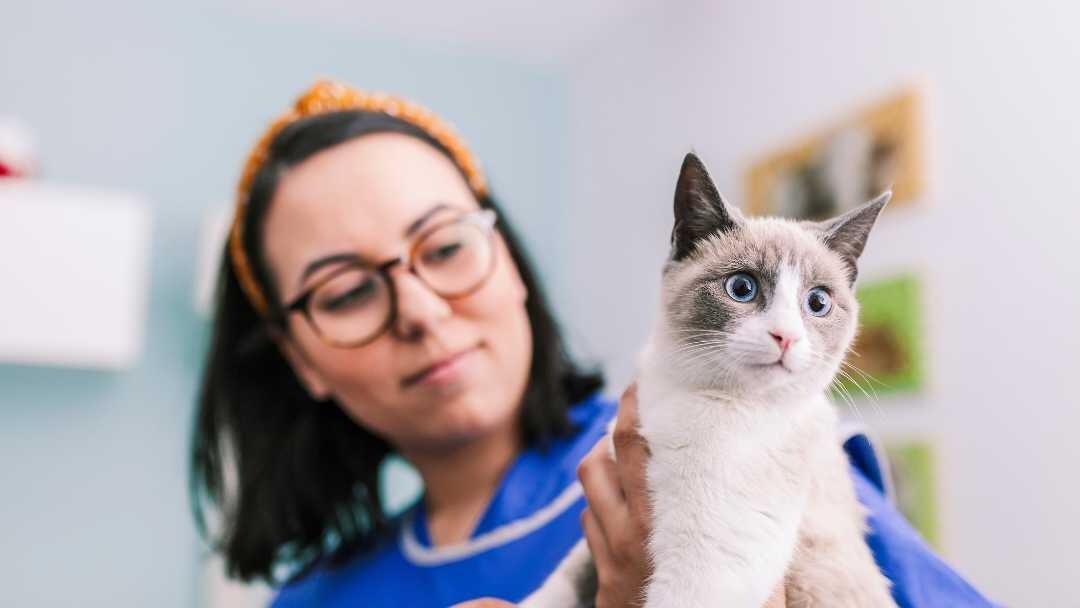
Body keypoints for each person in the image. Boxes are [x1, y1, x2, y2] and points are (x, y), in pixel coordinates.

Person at [189, 79, 996, 607]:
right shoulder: (310, 598)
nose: (421, 310)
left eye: (443, 248)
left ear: (509, 263)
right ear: (299, 359)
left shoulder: (770, 434)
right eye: (348, 291)